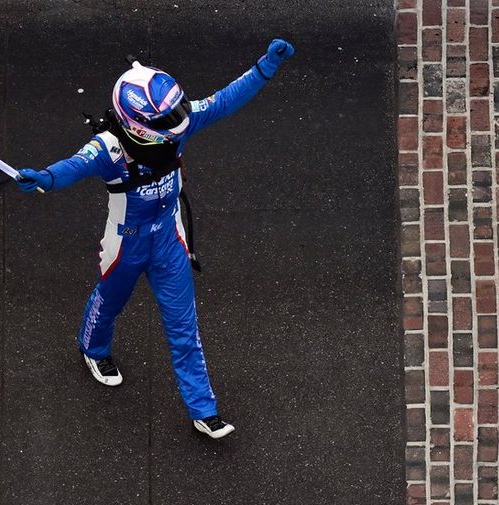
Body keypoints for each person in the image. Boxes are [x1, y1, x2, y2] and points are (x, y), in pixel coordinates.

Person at [16, 39, 295, 439]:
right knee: (108, 303)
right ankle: (92, 348)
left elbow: (223, 101)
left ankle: (204, 410)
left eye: (179, 110)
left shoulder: (174, 123)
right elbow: (72, 167)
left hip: (168, 240)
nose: (181, 120)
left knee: (184, 328)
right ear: (138, 123)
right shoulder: (107, 149)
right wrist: (44, 178)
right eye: (169, 117)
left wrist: (264, 67)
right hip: (124, 245)